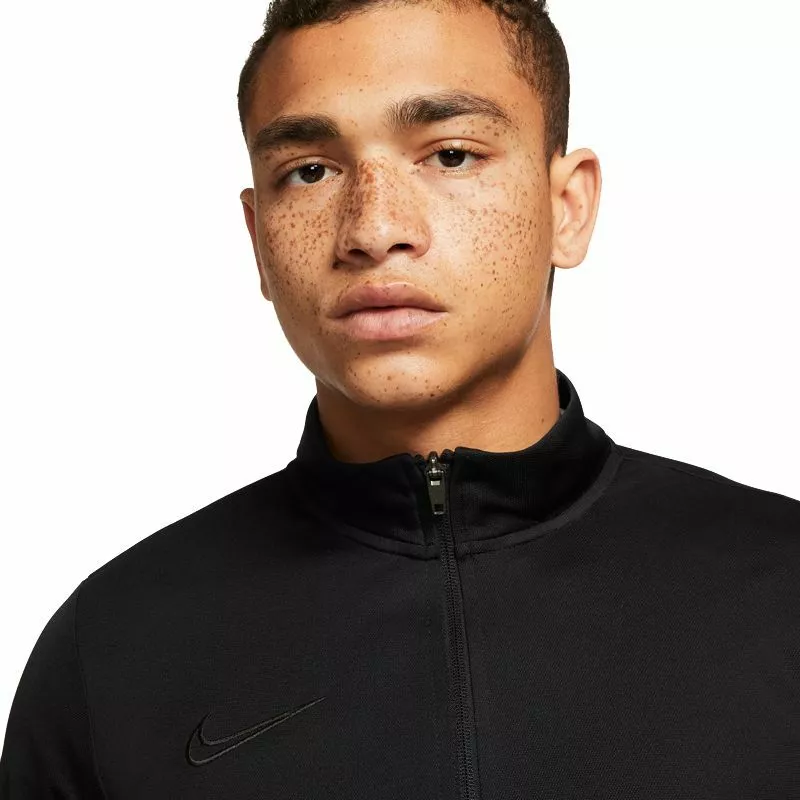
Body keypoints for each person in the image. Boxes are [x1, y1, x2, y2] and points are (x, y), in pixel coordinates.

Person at [2, 0, 799, 796]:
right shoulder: (112, 652)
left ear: (568, 207)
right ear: (258, 239)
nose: (375, 228)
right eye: (310, 171)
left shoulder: (781, 590)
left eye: (450, 155)